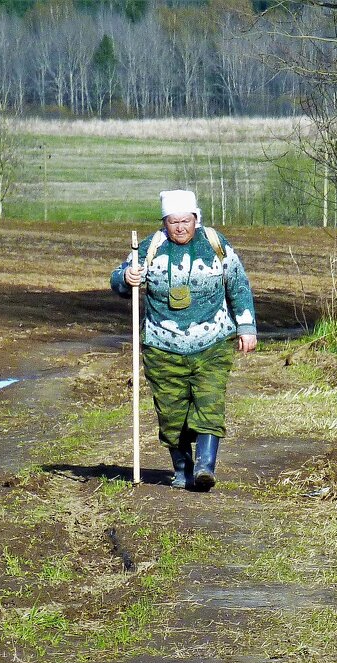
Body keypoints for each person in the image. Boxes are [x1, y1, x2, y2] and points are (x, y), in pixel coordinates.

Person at [111, 189, 257, 491]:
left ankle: (206, 467)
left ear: (196, 217)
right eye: (173, 222)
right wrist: (127, 277)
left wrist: (246, 327)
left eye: (186, 221)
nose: (180, 227)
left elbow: (238, 284)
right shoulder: (150, 248)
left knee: (210, 401)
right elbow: (119, 280)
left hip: (213, 342)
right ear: (165, 222)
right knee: (171, 412)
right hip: (162, 348)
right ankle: (183, 469)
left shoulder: (215, 244)